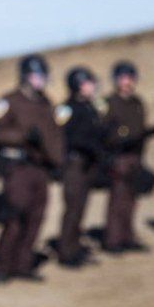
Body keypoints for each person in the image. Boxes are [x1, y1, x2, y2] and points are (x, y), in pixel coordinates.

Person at [0, 54, 64, 281]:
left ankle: (24, 265)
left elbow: (54, 136)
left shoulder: (46, 103)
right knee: (14, 217)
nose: (40, 80)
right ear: (25, 76)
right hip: (18, 169)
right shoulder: (8, 101)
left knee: (36, 217)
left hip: (41, 170)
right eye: (36, 75)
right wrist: (22, 137)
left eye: (43, 75)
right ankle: (3, 265)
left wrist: (58, 162)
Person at [102, 61, 154, 252]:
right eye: (123, 78)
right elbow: (105, 132)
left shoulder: (137, 103)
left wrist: (145, 134)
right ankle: (113, 240)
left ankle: (127, 237)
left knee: (132, 199)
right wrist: (121, 139)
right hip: (118, 157)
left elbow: (139, 128)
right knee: (118, 199)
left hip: (135, 156)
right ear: (116, 80)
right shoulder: (109, 103)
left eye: (130, 78)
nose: (127, 82)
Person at [55, 66, 107, 266]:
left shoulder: (90, 107)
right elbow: (65, 138)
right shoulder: (67, 109)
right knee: (73, 209)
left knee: (81, 208)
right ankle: (66, 252)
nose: (92, 87)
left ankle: (75, 248)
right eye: (88, 83)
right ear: (77, 85)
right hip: (74, 165)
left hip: (88, 164)